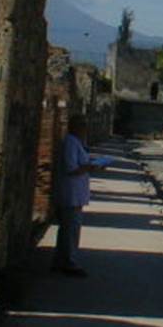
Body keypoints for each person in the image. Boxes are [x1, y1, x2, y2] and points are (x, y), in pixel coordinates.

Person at [52, 114, 102, 277]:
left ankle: (62, 260)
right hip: (70, 194)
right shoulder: (70, 143)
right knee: (70, 230)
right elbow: (71, 168)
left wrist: (92, 164)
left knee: (69, 230)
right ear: (76, 127)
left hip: (75, 194)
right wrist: (91, 167)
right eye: (83, 125)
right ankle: (69, 263)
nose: (85, 129)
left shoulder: (77, 143)